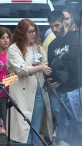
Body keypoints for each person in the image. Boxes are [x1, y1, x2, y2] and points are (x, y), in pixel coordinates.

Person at [6, 18, 53, 146]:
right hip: (22, 95)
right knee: (22, 129)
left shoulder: (38, 47)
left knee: (35, 129)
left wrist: (44, 67)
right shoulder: (13, 49)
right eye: (29, 31)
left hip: (39, 94)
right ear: (21, 34)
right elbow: (21, 69)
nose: (33, 34)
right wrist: (40, 67)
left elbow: (45, 64)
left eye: (34, 31)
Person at [47, 10, 82, 146]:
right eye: (51, 26)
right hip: (60, 91)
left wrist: (60, 59)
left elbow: (74, 55)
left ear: (64, 22)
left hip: (77, 87)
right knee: (62, 129)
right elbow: (51, 66)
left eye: (56, 25)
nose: (54, 29)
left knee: (77, 125)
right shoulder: (51, 45)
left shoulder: (75, 36)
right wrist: (50, 80)